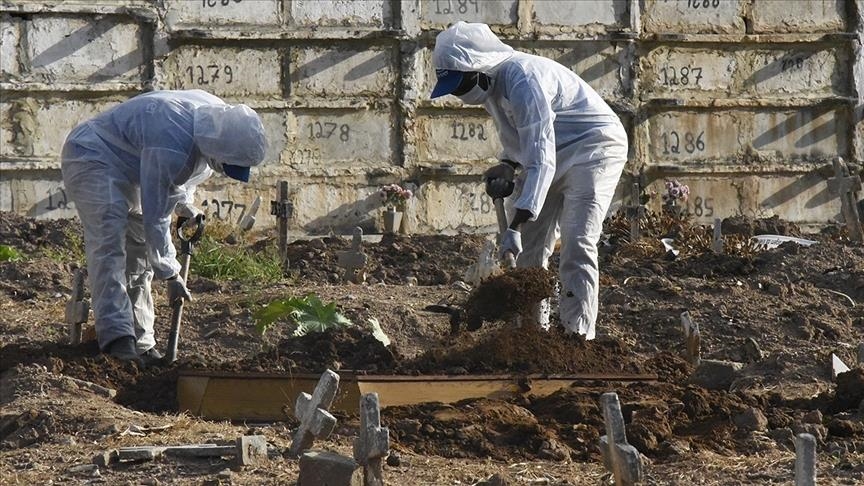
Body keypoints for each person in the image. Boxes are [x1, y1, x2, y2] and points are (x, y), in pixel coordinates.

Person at [431, 22, 628, 340]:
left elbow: (540, 158)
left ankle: (577, 337)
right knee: (529, 251)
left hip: (594, 148)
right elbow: (521, 138)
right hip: (551, 152)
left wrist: (514, 226)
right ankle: (532, 334)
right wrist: (507, 165)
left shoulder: (523, 78)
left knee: (578, 241)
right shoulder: (492, 88)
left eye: (459, 84)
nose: (457, 93)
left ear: (478, 68)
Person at [61, 89, 267, 364]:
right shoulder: (173, 143)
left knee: (139, 257)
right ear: (221, 148)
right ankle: (117, 339)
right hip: (92, 155)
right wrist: (171, 275)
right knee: (109, 246)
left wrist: (185, 206)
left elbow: (182, 177)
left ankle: (142, 343)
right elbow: (156, 217)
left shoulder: (217, 121)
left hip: (133, 164)